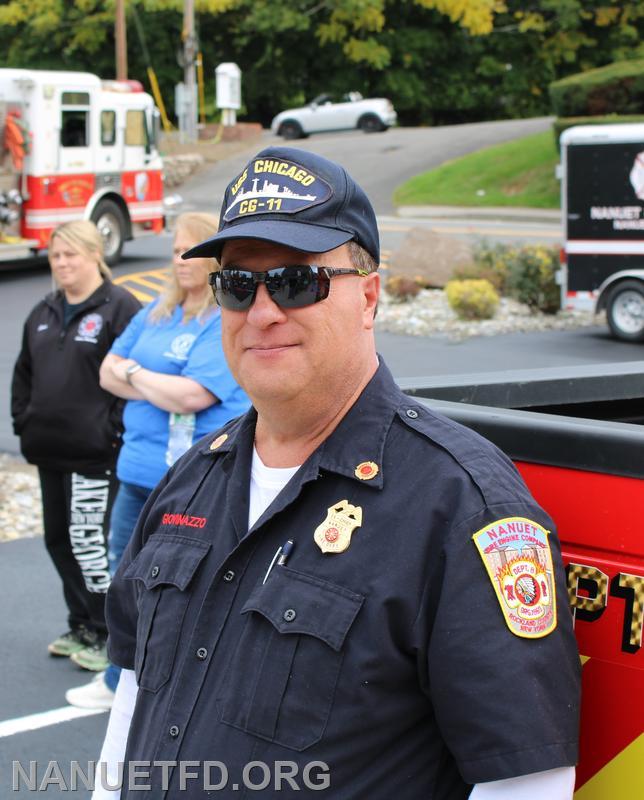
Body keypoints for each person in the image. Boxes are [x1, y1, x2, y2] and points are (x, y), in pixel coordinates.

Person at [95, 148, 580, 799]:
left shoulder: (457, 506)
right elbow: (133, 693)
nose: (263, 311)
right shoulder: (191, 481)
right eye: (238, 285)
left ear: (369, 296)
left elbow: (526, 782)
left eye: (297, 281)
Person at [65, 212, 250, 710]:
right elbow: (107, 371)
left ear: (213, 258)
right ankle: (115, 679)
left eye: (190, 251)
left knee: (187, 589)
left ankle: (185, 689)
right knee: (123, 580)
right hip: (136, 474)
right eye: (173, 250)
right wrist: (151, 379)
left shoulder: (222, 317)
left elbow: (192, 396)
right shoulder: (155, 312)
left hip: (195, 479)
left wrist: (136, 376)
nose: (179, 260)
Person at [10, 220, 141, 672]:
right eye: (56, 256)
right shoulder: (44, 310)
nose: (63, 264)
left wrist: (112, 431)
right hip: (49, 449)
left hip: (95, 454)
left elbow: (136, 376)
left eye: (72, 255)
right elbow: (22, 374)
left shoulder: (120, 308)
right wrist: (23, 422)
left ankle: (108, 633)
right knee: (58, 539)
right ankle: (82, 622)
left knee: (91, 541)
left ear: (95, 255)